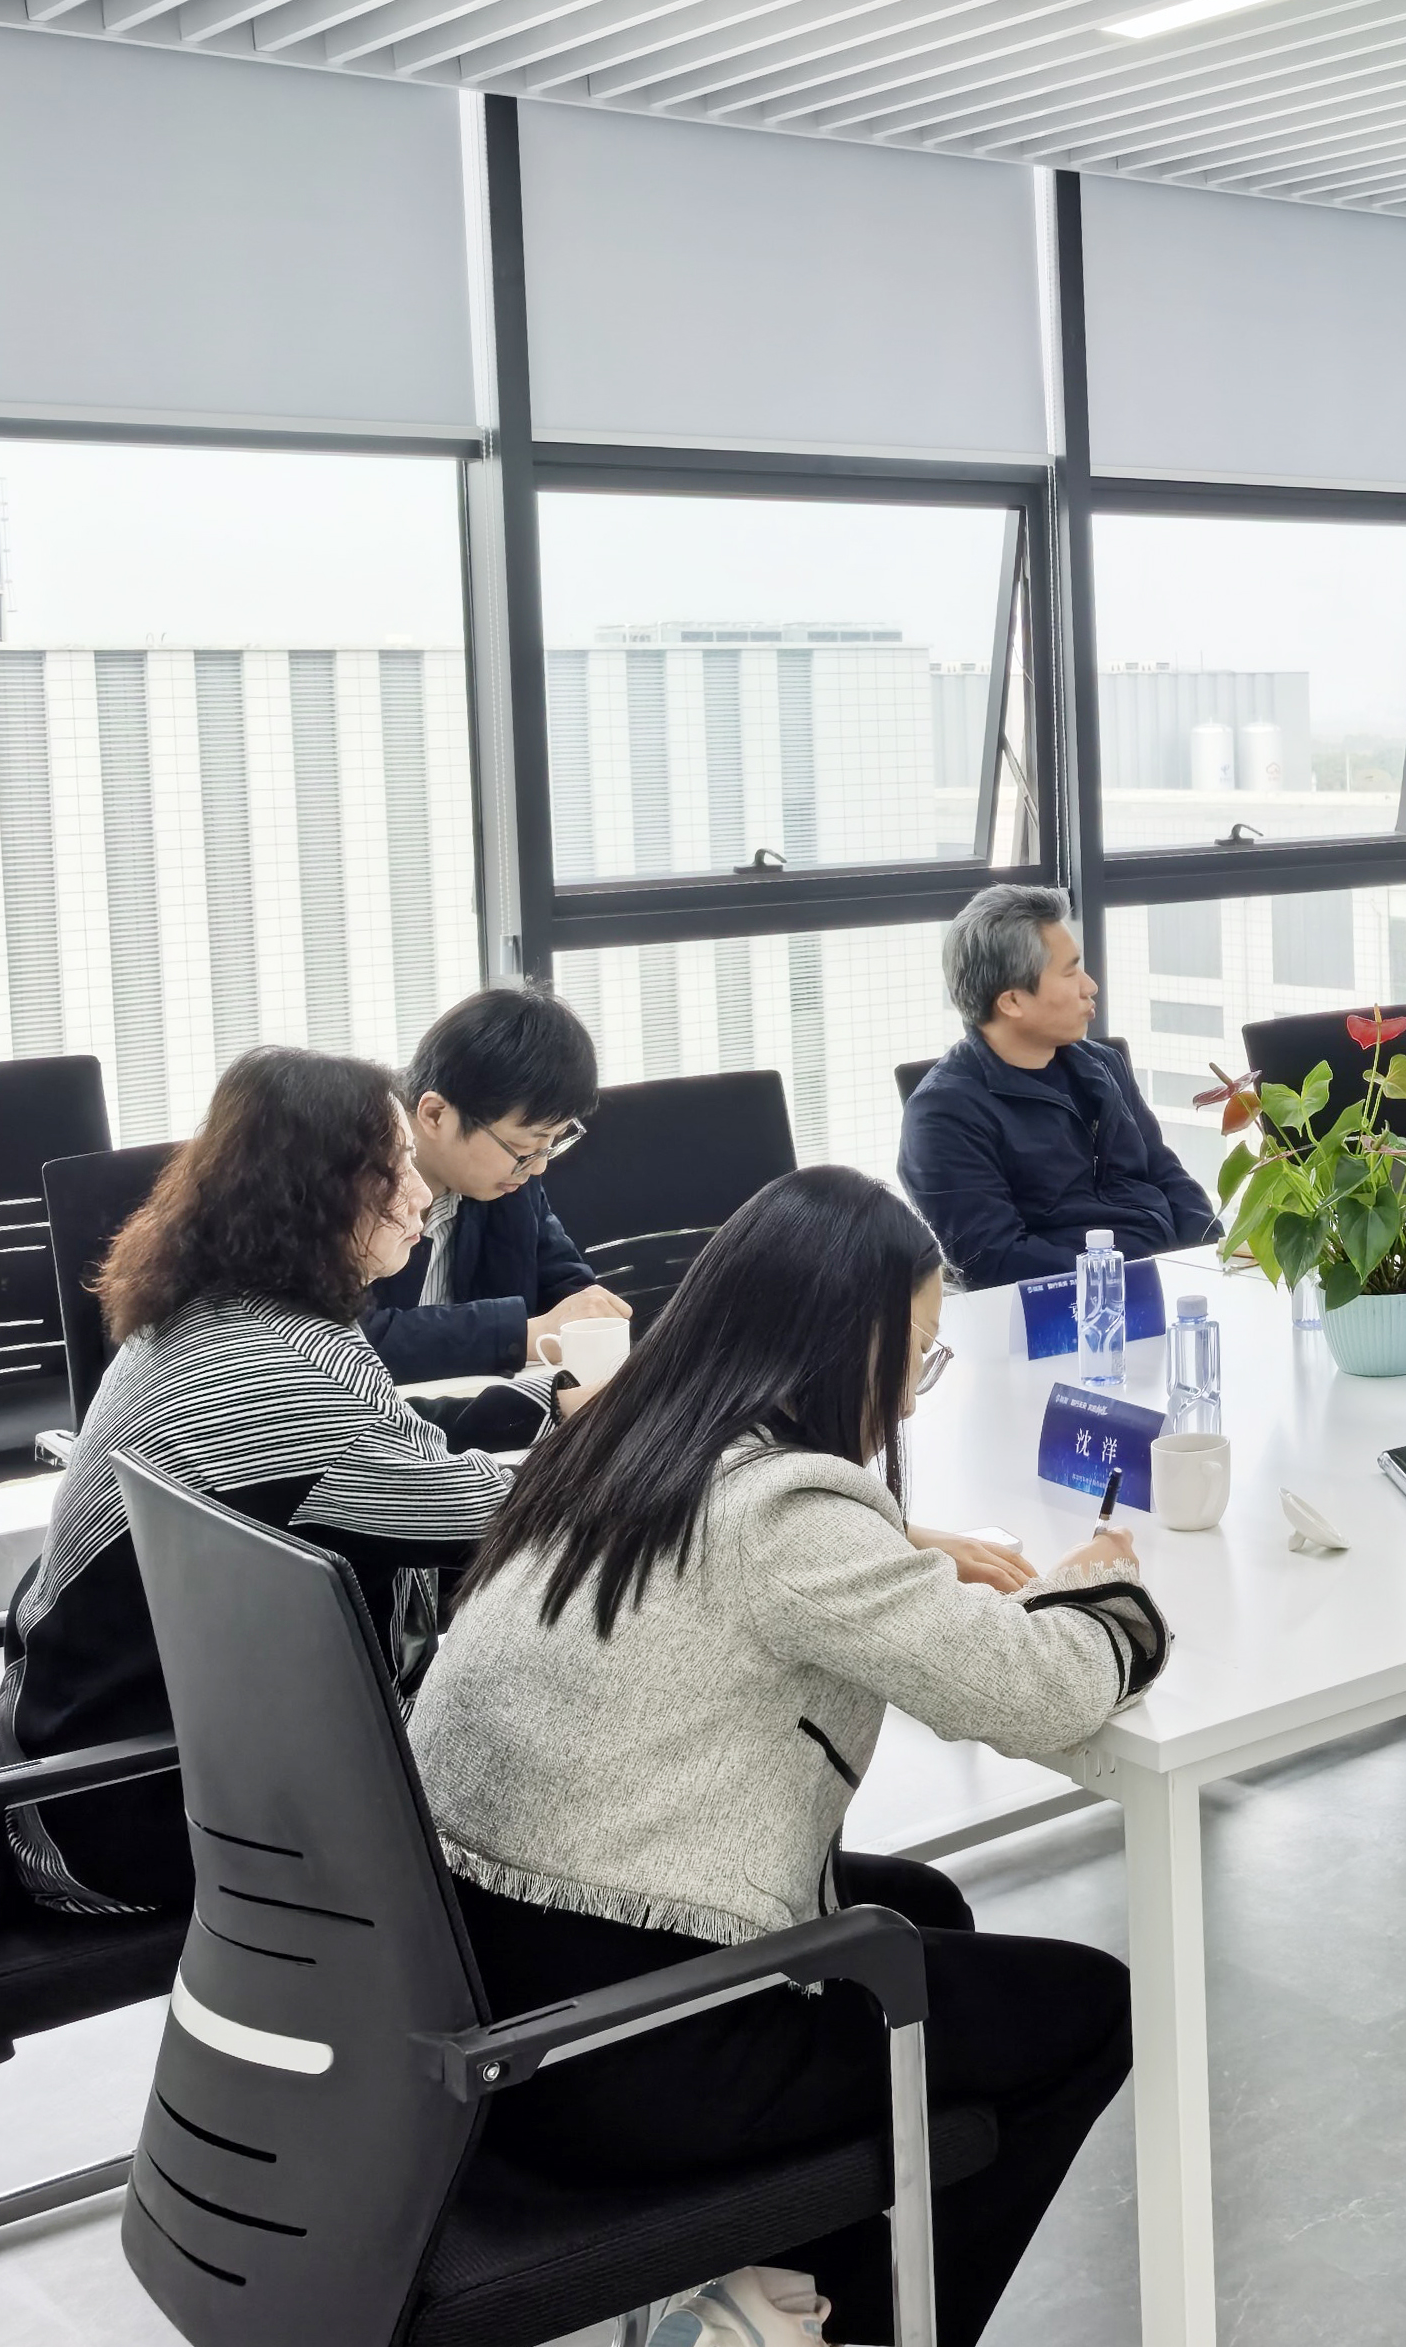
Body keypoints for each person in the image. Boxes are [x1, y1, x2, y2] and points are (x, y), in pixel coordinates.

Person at [410, 1170, 1165, 2347]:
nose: (907, 1397)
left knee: (920, 1908)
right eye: (913, 1357)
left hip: (480, 1984)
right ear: (840, 1342)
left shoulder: (618, 1439)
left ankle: (776, 2297)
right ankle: (851, 2327)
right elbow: (1034, 1692)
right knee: (1087, 2009)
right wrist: (1109, 1594)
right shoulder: (782, 1511)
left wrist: (901, 1547)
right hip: (627, 2049)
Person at [0, 1049, 579, 1914]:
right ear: (313, 1192)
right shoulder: (292, 1377)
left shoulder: (212, 1310)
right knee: (561, 1783)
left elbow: (388, 1437)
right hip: (141, 1813)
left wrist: (549, 1400)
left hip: (79, 1757)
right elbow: (496, 1520)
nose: (419, 1196)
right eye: (392, 1171)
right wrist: (637, 1446)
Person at [902, 883, 1218, 1288]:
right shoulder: (942, 1115)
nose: (1090, 986)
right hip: (1073, 1305)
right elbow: (997, 1261)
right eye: (1070, 972)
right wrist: (1133, 1279)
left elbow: (1165, 1172)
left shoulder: (1102, 1064)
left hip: (1170, 1279)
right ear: (1012, 1002)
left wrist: (1210, 1252)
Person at [363, 982, 631, 1380]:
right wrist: (524, 1334)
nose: (537, 1168)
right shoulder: (350, 1183)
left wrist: (591, 1315)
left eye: (551, 1143)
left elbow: (563, 1283)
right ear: (435, 1115)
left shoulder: (508, 1178)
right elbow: (351, 1337)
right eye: (523, 1146)